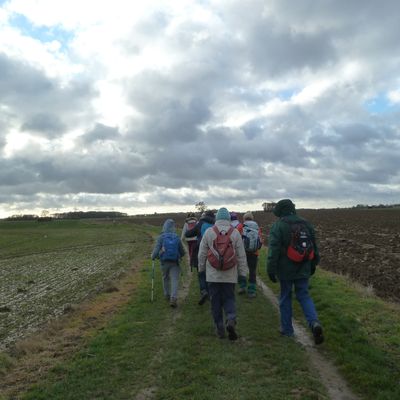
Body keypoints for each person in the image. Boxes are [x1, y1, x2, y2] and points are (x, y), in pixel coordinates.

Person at [266, 199, 324, 344]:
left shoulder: (278, 226)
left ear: (280, 211)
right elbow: (314, 247)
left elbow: (273, 250)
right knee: (304, 295)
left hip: (285, 270)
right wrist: (313, 264)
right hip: (304, 266)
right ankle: (314, 323)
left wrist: (271, 269)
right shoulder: (306, 224)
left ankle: (287, 330)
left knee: (285, 297)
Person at [198, 207, 248, 340]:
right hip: (229, 275)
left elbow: (202, 253)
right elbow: (241, 255)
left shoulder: (209, 232)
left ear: (217, 219)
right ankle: (231, 319)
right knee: (229, 298)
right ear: (228, 219)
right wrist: (243, 273)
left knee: (215, 302)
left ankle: (219, 327)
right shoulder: (235, 233)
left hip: (212, 276)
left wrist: (201, 269)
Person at [151, 218, 185, 308]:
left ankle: (167, 294)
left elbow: (155, 252)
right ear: (173, 227)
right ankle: (173, 298)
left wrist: (154, 257)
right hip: (175, 262)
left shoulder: (161, 237)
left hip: (164, 262)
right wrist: (180, 256)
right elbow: (183, 252)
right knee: (174, 279)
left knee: (165, 278)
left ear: (164, 227)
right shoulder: (177, 237)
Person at [185, 210, 215, 305]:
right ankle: (210, 293)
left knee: (201, 272)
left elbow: (188, 234)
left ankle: (203, 291)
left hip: (200, 251)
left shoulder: (200, 223)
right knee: (210, 273)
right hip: (213, 252)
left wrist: (188, 230)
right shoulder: (215, 224)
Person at [237, 211, 263, 298]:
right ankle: (251, 290)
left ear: (244, 218)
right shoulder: (257, 227)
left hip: (243, 252)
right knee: (252, 271)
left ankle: (242, 286)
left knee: (242, 269)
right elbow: (260, 241)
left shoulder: (241, 226)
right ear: (252, 218)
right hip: (254, 252)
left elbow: (237, 238)